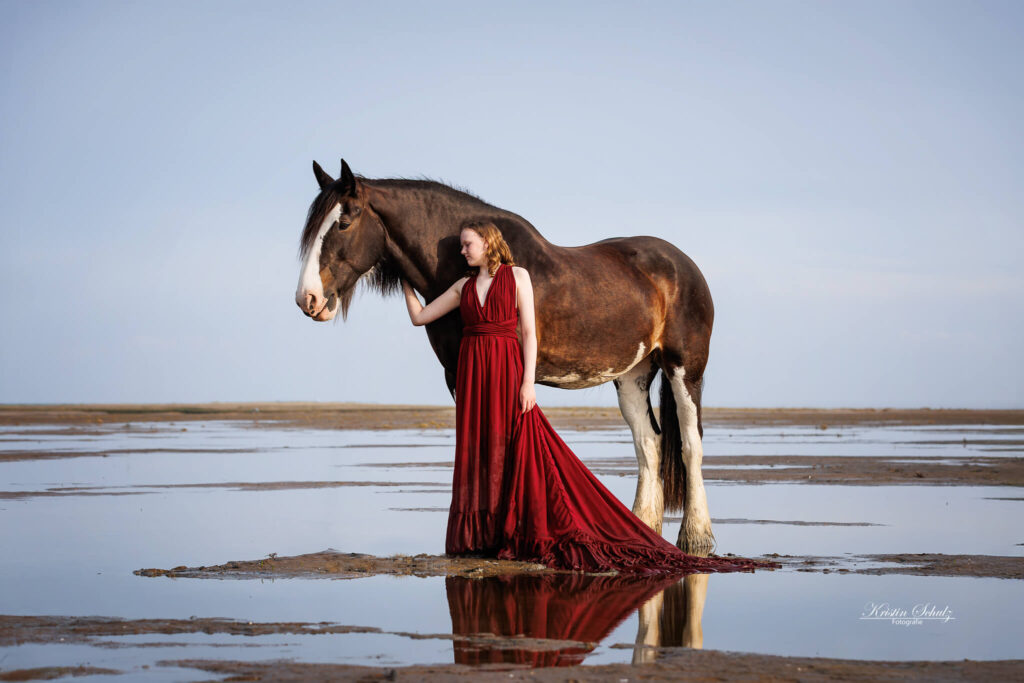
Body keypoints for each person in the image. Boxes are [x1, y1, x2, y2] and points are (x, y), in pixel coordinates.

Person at [401, 220, 772, 575]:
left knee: (522, 447)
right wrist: (402, 277)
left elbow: (529, 333)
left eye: (468, 244)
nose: (462, 250)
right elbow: (420, 317)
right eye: (463, 245)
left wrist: (527, 382)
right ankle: (483, 534)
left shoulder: (517, 277)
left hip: (505, 369)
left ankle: (691, 515)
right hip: (477, 374)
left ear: (488, 243)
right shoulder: (462, 287)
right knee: (481, 451)